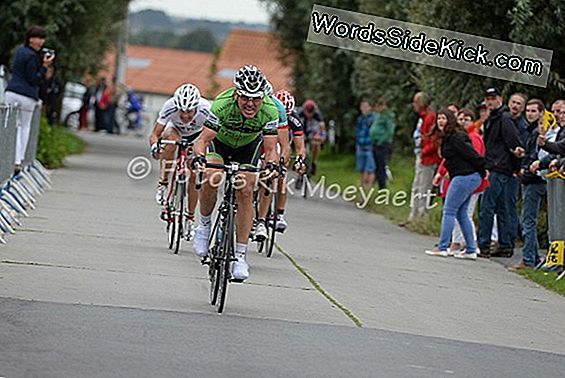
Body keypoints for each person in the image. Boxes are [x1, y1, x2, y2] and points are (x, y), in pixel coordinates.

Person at [192, 65, 278, 281]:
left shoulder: (270, 110)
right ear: (236, 93)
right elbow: (203, 140)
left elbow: (270, 150)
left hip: (248, 149)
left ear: (263, 97)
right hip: (220, 145)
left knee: (246, 190)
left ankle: (239, 255)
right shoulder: (222, 105)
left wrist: (270, 166)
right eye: (245, 97)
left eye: (256, 98)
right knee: (212, 177)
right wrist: (200, 158)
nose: (250, 104)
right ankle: (203, 226)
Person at [149, 84, 210, 239]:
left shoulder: (205, 109)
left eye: (189, 112)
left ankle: (190, 217)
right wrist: (155, 147)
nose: (184, 116)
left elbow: (211, 136)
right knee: (169, 141)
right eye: (181, 111)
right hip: (175, 131)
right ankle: (163, 182)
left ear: (196, 107)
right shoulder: (169, 106)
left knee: (195, 174)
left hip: (197, 135)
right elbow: (155, 135)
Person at [425, 109, 486, 260]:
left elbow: (472, 154)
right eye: (439, 118)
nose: (440, 121)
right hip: (465, 176)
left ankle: (443, 247)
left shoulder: (455, 137)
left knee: (449, 210)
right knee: (461, 213)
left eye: (444, 118)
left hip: (465, 176)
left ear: (450, 120)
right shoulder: (449, 136)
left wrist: (483, 170)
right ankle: (471, 249)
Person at [477, 88, 525, 258]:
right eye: (487, 98)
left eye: (493, 98)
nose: (490, 101)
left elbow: (516, 145)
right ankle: (505, 245)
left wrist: (516, 167)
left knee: (487, 207)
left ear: (500, 99)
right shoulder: (495, 117)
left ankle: (483, 244)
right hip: (501, 168)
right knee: (502, 208)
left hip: (498, 168)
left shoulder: (504, 119)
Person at [4, 26, 54, 176]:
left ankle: (7, 157)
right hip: (27, 95)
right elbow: (34, 78)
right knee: (24, 127)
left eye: (42, 38)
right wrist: (44, 67)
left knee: (9, 126)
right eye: (38, 38)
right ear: (31, 39)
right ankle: (18, 160)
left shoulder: (19, 51)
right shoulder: (32, 56)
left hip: (11, 91)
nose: (41, 42)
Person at [509, 99, 547, 270]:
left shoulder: (538, 132)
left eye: (534, 111)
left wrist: (525, 167)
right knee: (528, 220)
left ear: (541, 113)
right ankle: (535, 257)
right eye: (529, 111)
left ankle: (528, 259)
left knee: (527, 221)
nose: (530, 114)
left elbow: (537, 155)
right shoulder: (529, 130)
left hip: (534, 180)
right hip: (532, 178)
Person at [401, 91, 439, 226]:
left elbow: (433, 140)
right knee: (416, 186)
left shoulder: (430, 117)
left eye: (416, 102)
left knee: (424, 187)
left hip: (427, 158)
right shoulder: (422, 117)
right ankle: (413, 214)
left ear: (422, 103)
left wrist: (424, 151)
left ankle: (422, 215)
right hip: (421, 156)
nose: (413, 105)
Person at [272, 89, 306, 231]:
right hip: (267, 141)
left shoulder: (294, 119)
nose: (283, 117)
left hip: (284, 144)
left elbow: (300, 146)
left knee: (281, 177)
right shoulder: (268, 112)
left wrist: (299, 160)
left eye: (287, 115)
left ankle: (279, 214)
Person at [369, 98, 396, 189]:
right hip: (376, 144)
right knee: (377, 166)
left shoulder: (387, 116)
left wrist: (381, 140)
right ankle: (379, 184)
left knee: (381, 166)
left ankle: (382, 187)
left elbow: (390, 131)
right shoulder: (379, 116)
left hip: (382, 145)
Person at [297, 99, 325, 175]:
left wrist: (322, 136)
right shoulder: (299, 113)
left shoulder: (317, 114)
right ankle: (300, 162)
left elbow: (322, 127)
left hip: (312, 132)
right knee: (300, 146)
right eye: (308, 112)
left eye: (311, 112)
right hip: (302, 132)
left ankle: (314, 162)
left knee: (315, 143)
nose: (309, 115)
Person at [355, 98, 376, 189]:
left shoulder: (374, 118)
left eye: (365, 106)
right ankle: (362, 187)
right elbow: (358, 130)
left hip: (370, 145)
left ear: (370, 107)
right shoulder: (360, 119)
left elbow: (374, 132)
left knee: (370, 168)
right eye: (362, 106)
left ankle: (369, 188)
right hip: (360, 145)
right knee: (361, 168)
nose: (363, 108)